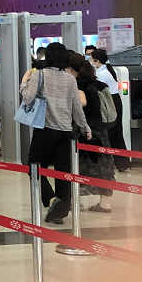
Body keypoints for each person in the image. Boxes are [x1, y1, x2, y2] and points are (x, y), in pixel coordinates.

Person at [20, 42, 89, 225]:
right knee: (63, 172)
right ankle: (59, 213)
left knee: (34, 167)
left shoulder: (39, 74)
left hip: (45, 129)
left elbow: (27, 98)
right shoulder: (70, 79)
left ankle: (51, 199)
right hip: (65, 131)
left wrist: (24, 82)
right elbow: (77, 108)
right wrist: (85, 127)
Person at [69, 52, 116, 213]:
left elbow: (82, 102)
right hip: (101, 130)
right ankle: (104, 203)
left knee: (80, 166)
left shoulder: (79, 85)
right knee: (104, 165)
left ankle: (75, 200)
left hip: (83, 131)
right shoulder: (98, 84)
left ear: (73, 70)